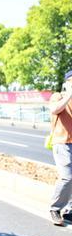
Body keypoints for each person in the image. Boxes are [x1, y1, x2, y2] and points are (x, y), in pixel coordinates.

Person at [48, 69, 72, 226]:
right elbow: (55, 109)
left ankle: (69, 211)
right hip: (62, 142)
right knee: (67, 177)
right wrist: (69, 94)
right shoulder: (58, 96)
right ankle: (55, 208)